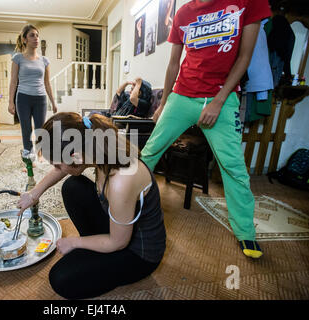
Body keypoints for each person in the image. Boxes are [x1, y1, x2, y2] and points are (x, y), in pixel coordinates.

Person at [141, 0, 272, 259]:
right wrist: (164, 103)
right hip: (182, 95)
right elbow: (173, 64)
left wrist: (219, 101)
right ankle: (127, 205)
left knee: (233, 166)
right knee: (149, 154)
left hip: (221, 99)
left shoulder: (248, 3)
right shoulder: (184, 13)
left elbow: (244, 57)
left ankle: (245, 231)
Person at [17, 112, 166, 299]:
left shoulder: (121, 181)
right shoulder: (93, 143)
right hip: (120, 226)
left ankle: (98, 253)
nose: (57, 169)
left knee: (61, 279)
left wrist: (74, 242)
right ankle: (95, 249)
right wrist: (33, 194)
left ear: (76, 156)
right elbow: (63, 170)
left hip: (139, 252)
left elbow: (118, 242)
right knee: (72, 186)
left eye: (57, 164)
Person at [8, 24, 58, 158]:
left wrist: (53, 102)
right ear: (24, 39)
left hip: (40, 98)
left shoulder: (44, 60)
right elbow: (13, 82)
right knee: (26, 128)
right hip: (23, 97)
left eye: (37, 35)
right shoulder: (18, 58)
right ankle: (28, 153)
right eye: (32, 35)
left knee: (40, 129)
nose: (36, 38)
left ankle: (40, 152)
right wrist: (10, 102)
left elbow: (47, 82)